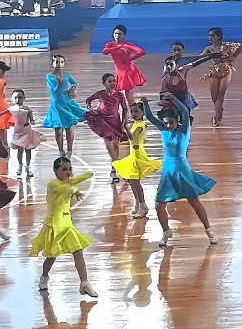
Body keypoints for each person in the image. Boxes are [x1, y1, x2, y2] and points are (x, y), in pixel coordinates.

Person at [143, 94, 218, 246]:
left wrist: (173, 99)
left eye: (171, 122)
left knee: (194, 202)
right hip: (168, 172)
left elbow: (184, 110)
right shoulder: (163, 130)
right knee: (159, 205)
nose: (168, 125)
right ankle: (166, 231)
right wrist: (145, 103)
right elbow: (150, 117)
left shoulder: (184, 131)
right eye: (166, 123)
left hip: (183, 171)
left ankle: (209, 231)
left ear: (177, 121)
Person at [30, 157, 99, 297]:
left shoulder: (68, 182)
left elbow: (76, 180)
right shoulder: (53, 184)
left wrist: (90, 174)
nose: (68, 172)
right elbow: (67, 190)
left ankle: (84, 283)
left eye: (70, 169)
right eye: (64, 169)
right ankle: (44, 277)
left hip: (67, 225)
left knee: (78, 251)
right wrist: (76, 189)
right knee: (51, 256)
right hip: (54, 226)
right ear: (55, 171)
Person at [112, 101, 161, 219]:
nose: (133, 114)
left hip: (138, 155)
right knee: (131, 181)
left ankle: (143, 206)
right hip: (133, 154)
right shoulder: (135, 123)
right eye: (132, 112)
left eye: (136, 111)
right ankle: (138, 204)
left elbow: (133, 137)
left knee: (135, 182)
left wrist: (125, 127)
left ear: (142, 112)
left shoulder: (140, 125)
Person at [82, 73, 129, 181]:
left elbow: (125, 108)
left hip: (115, 122)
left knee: (116, 146)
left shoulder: (119, 95)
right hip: (103, 121)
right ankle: (117, 169)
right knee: (109, 146)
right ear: (104, 83)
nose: (113, 83)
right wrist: (91, 109)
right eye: (109, 81)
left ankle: (114, 169)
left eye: (114, 80)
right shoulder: (100, 94)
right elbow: (88, 100)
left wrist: (124, 121)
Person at [42, 55, 86, 158]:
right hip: (56, 104)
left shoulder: (67, 74)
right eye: (56, 62)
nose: (59, 64)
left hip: (66, 102)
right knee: (58, 130)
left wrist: (71, 90)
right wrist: (60, 82)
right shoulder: (49, 76)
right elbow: (55, 90)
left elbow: (74, 83)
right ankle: (61, 151)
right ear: (52, 63)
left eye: (61, 62)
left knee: (69, 127)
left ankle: (70, 151)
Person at [200, 27, 242, 126]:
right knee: (214, 95)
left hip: (226, 70)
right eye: (209, 35)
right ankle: (219, 109)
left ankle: (215, 116)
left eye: (212, 35)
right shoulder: (209, 48)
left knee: (221, 93)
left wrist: (233, 56)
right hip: (214, 71)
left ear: (219, 37)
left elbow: (241, 45)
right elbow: (201, 56)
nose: (210, 38)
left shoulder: (227, 45)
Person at [102, 25, 147, 104]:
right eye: (115, 33)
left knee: (127, 95)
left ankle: (132, 110)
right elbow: (105, 51)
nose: (117, 36)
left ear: (124, 35)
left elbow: (141, 52)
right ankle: (134, 106)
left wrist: (130, 59)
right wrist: (119, 47)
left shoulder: (127, 45)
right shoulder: (110, 45)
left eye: (120, 34)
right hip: (119, 70)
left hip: (127, 70)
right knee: (117, 92)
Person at [6, 89, 44, 177]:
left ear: (24, 98)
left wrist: (32, 121)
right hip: (17, 132)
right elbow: (3, 114)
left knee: (28, 149)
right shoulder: (11, 109)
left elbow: (31, 119)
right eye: (15, 98)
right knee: (20, 150)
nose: (18, 100)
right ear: (12, 99)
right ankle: (20, 166)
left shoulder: (27, 109)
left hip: (27, 131)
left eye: (20, 97)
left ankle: (28, 167)